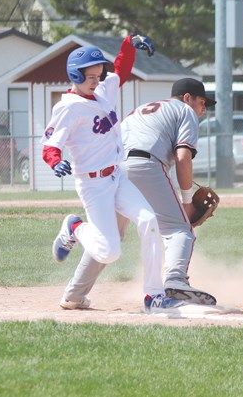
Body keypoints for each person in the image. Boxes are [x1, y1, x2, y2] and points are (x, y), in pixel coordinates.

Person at [41, 34, 183, 313]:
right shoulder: (67, 108)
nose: (97, 80)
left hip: (117, 177)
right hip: (93, 185)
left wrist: (129, 44)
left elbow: (120, 70)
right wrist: (55, 161)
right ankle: (74, 227)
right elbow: (49, 145)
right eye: (90, 76)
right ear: (75, 74)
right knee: (109, 251)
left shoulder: (102, 91)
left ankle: (153, 296)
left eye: (98, 74)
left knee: (149, 220)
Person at [120, 78, 217, 306]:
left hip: (115, 170)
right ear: (187, 98)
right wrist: (186, 203)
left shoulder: (140, 111)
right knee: (180, 230)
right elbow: (183, 158)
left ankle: (75, 292)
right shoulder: (185, 111)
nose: (203, 109)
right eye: (202, 102)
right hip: (145, 166)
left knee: (108, 240)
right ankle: (176, 280)